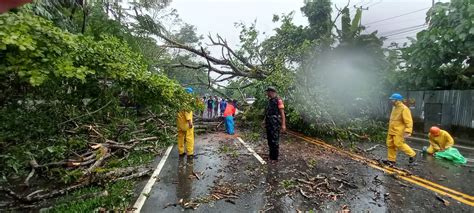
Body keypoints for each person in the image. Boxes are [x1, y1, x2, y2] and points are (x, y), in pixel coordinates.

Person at [385, 93, 416, 166]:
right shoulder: (394, 107)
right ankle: (391, 160)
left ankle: (412, 154)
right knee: (390, 144)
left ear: (397, 100)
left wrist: (408, 131)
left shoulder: (404, 109)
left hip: (399, 130)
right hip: (391, 130)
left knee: (398, 143)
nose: (391, 101)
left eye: (392, 99)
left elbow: (408, 121)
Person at [263, 87, 286, 164]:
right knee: (270, 140)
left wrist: (283, 125)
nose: (267, 93)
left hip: (275, 124)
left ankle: (275, 158)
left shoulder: (278, 100)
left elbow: (282, 113)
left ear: (271, 92)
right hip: (269, 123)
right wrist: (264, 121)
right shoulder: (270, 101)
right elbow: (267, 113)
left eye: (267, 92)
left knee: (274, 140)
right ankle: (271, 155)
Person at [177, 87, 195, 157]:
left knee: (180, 137)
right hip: (186, 124)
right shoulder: (187, 102)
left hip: (179, 123)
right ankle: (190, 153)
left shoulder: (179, 102)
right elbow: (187, 113)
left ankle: (181, 152)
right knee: (189, 137)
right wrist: (190, 122)